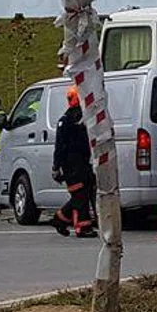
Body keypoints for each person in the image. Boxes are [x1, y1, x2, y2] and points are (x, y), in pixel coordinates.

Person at [51, 86, 97, 238]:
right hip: (72, 165)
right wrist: (56, 167)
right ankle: (83, 227)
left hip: (82, 163)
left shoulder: (80, 118)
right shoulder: (68, 121)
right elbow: (60, 147)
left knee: (83, 193)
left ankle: (60, 218)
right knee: (80, 195)